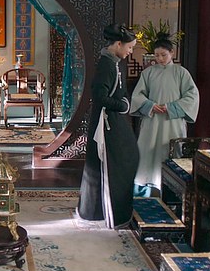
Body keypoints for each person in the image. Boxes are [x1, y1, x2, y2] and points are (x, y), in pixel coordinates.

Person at [78, 24, 140, 229]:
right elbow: (99, 96)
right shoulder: (106, 64)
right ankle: (108, 213)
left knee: (126, 158)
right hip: (105, 123)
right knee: (114, 163)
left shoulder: (113, 62)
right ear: (118, 44)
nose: (130, 51)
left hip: (113, 120)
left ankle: (102, 211)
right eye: (129, 47)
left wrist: (123, 103)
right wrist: (123, 106)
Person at [130, 35, 200, 197]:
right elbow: (137, 96)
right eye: (157, 55)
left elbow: (192, 96)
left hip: (172, 122)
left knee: (170, 152)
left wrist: (171, 107)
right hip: (152, 121)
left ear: (172, 53)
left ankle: (171, 192)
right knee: (147, 153)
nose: (160, 59)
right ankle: (145, 192)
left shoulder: (181, 73)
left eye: (164, 55)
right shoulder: (148, 73)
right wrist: (150, 105)